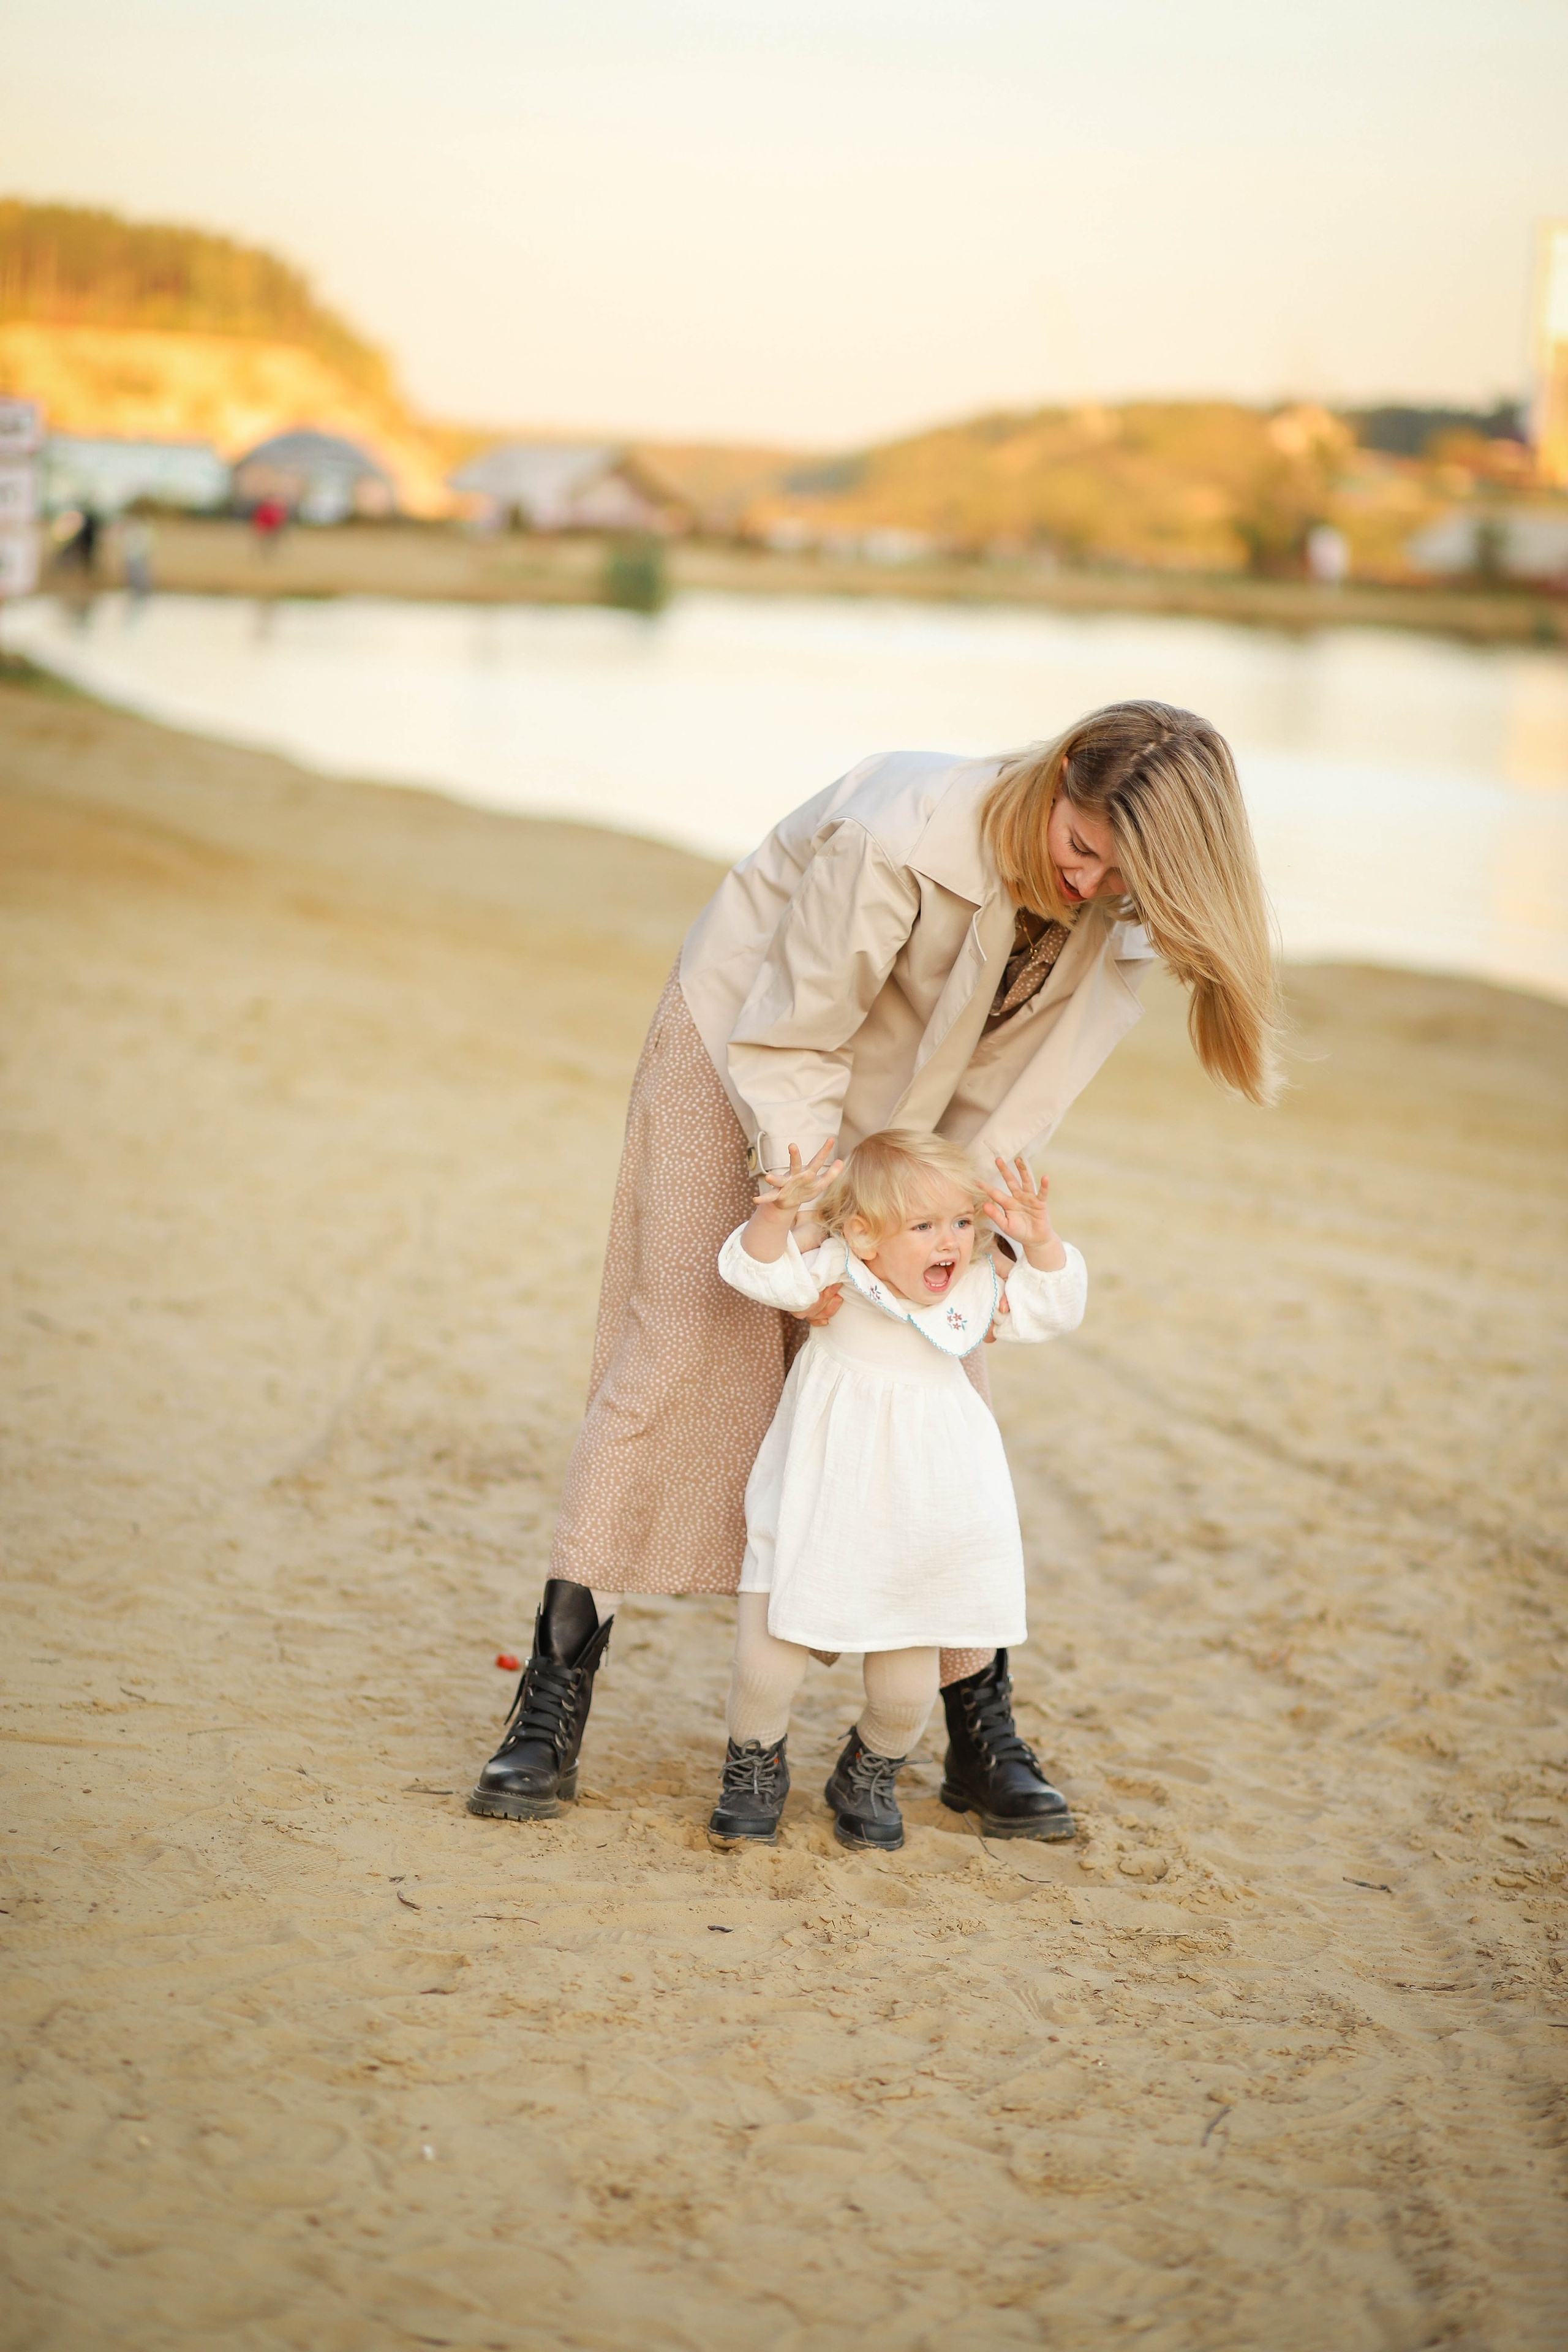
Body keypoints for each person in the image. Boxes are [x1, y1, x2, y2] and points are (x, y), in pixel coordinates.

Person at [468, 699, 1279, 1835]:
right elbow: (793, 1038)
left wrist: (953, 1242)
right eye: (1082, 849)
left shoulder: (1123, 905)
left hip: (910, 1115)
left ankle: (977, 1730)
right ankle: (550, 1707)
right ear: (1059, 777)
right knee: (679, 1351)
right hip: (740, 1054)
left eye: (1123, 878)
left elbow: (1012, 1103)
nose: (1091, 885)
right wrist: (806, 1220)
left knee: (938, 1369)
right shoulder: (898, 833)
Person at [708, 1131, 1087, 1852]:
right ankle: (753, 1769)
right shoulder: (836, 1272)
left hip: (923, 1515)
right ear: (862, 1235)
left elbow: (1053, 1310)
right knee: (766, 1667)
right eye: (922, 1226)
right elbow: (756, 1272)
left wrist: (1040, 1242)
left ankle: (868, 1772)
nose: (949, 1241)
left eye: (961, 1222)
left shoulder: (973, 1289)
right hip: (817, 1499)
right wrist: (779, 1216)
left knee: (905, 1693)